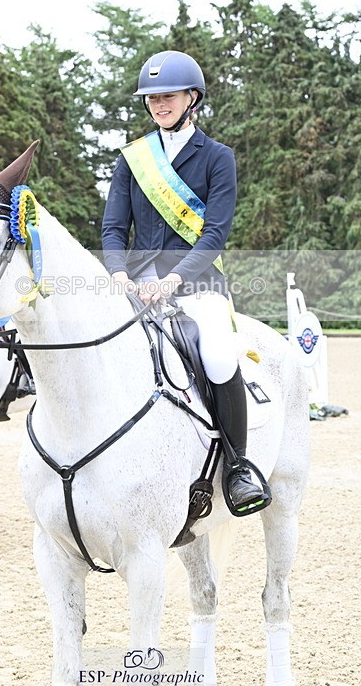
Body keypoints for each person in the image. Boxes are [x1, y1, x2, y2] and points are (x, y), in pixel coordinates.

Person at [101, 49, 267, 513]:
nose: (158, 105)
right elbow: (113, 228)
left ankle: (237, 467)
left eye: (168, 96)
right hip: (135, 285)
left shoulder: (217, 157)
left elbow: (214, 235)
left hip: (196, 284)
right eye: (152, 98)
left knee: (217, 355)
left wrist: (172, 281)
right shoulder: (133, 159)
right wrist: (118, 273)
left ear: (192, 98)